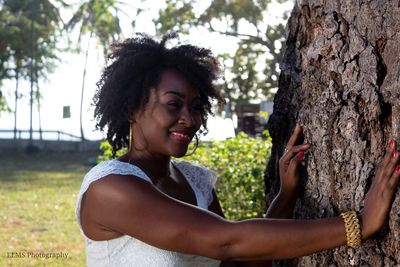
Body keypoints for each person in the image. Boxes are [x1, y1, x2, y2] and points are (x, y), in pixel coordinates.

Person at [76, 33, 400, 267]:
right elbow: (227, 240)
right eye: (173, 105)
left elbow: (238, 260)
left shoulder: (195, 181)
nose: (189, 119)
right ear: (132, 107)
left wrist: (285, 197)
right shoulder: (111, 189)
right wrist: (357, 223)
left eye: (197, 106)